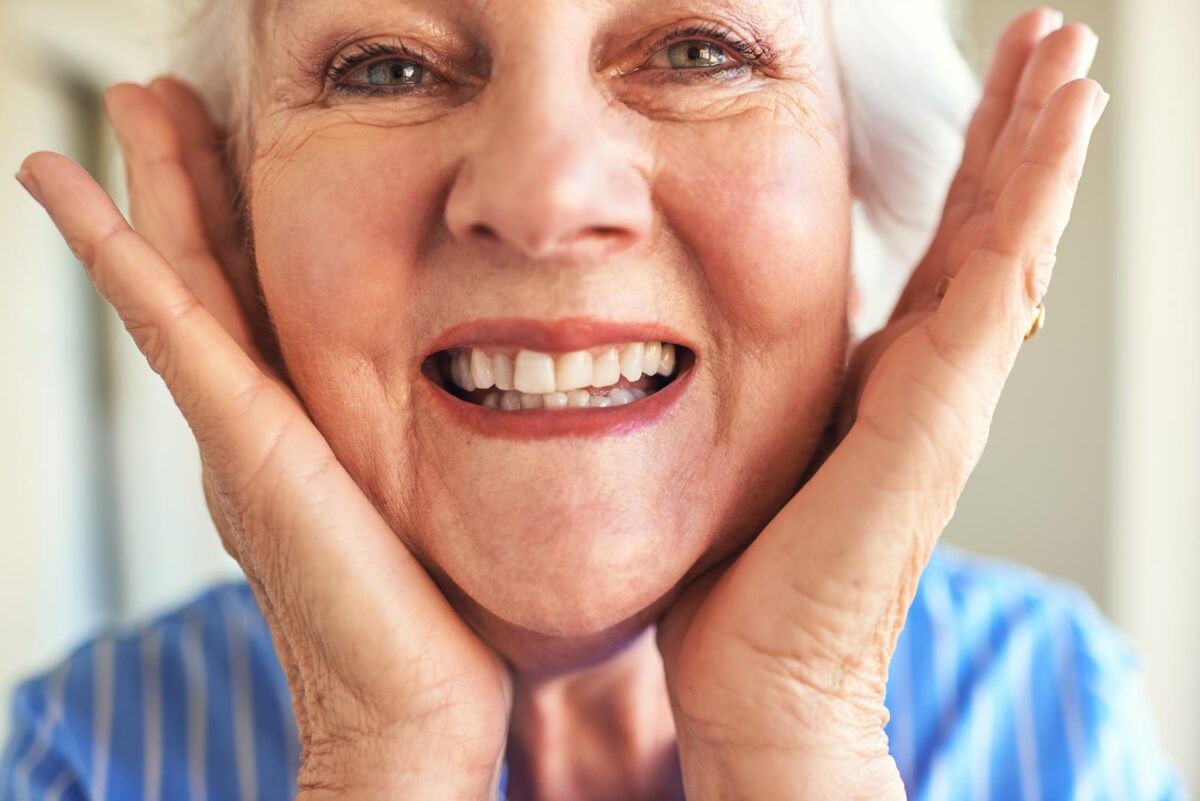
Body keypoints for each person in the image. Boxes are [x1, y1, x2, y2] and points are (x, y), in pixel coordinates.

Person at [0, 0, 1186, 798]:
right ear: (237, 233)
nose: (545, 197)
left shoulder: (1057, 713)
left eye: (696, 50)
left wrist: (800, 736)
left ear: (865, 199)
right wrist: (382, 759)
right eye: (387, 68)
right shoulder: (86, 751)